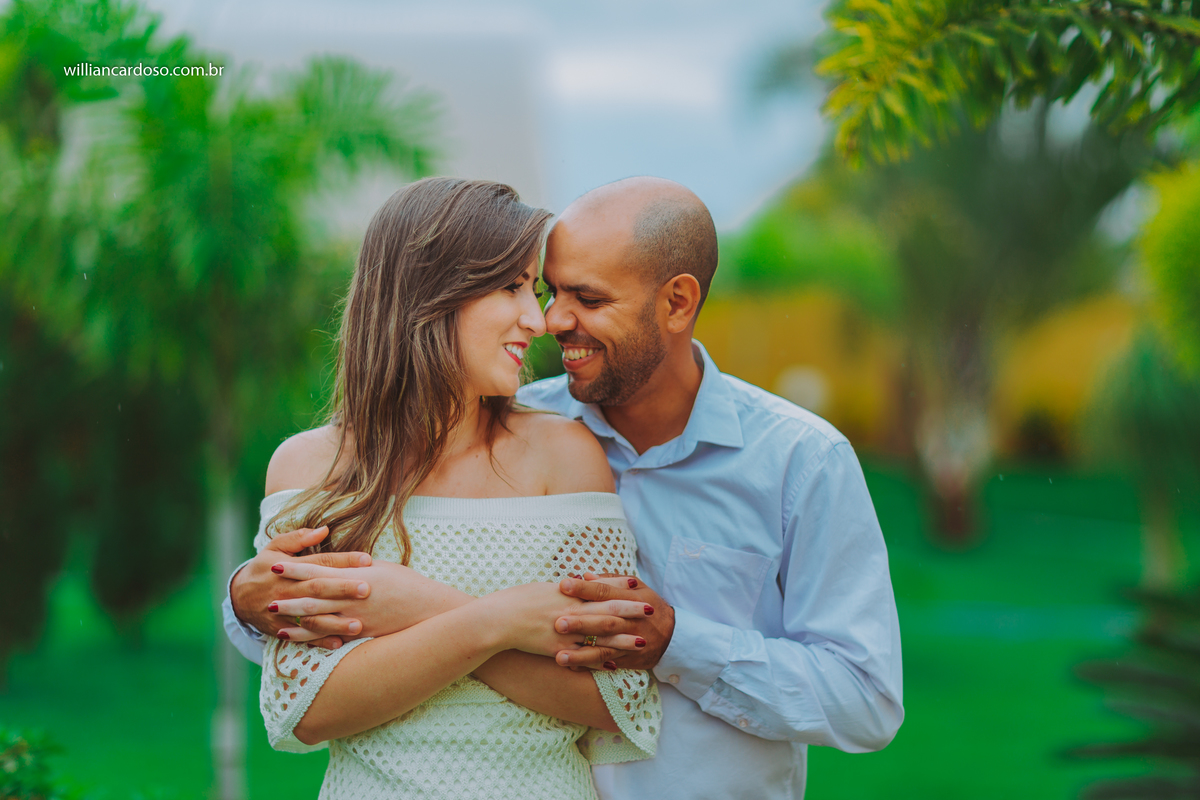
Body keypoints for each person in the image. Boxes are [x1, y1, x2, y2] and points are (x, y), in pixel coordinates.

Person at [226, 176, 904, 799]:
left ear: (677, 302)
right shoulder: (528, 421)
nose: (548, 321)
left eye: (587, 298)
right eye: (544, 291)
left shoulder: (797, 461)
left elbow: (865, 698)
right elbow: (309, 656)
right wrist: (243, 601)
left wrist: (677, 643)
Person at [249, 176, 660, 799]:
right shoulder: (310, 470)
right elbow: (306, 710)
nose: (539, 319)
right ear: (428, 295)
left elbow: (613, 698)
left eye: (536, 289)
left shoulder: (564, 457)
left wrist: (414, 606)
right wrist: (498, 622)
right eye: (512, 287)